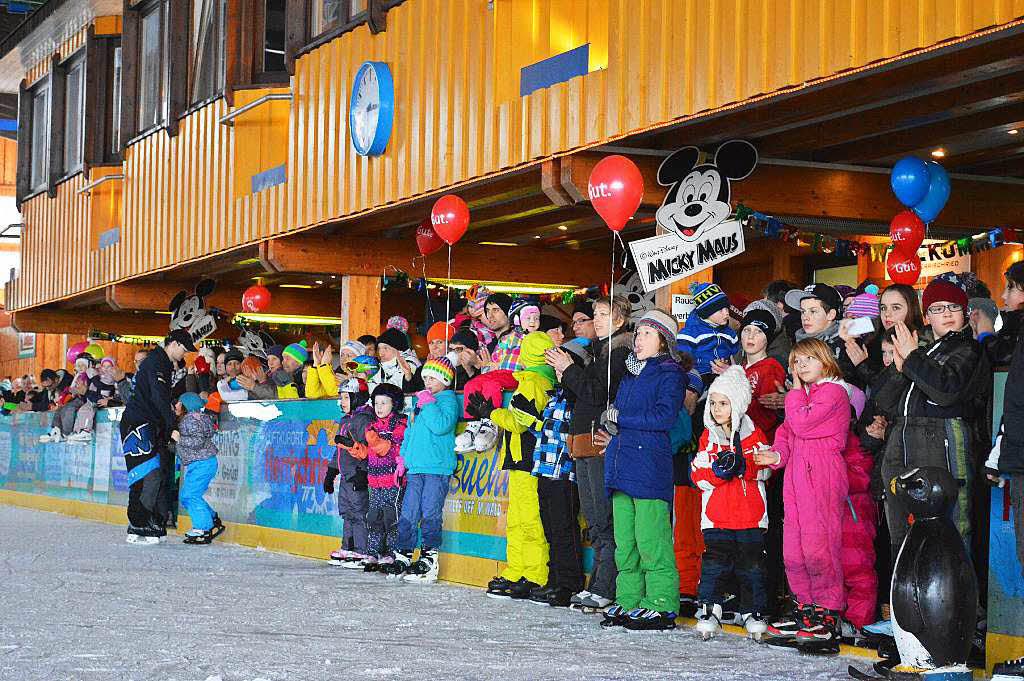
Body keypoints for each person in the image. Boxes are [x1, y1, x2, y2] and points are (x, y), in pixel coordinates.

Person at [880, 277, 989, 559]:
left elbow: (946, 390)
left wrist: (912, 358)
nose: (947, 314)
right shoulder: (924, 348)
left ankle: (953, 601)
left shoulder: (969, 348)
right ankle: (906, 600)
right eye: (938, 309)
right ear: (927, 316)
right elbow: (883, 401)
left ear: (965, 313)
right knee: (903, 533)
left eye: (953, 307)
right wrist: (901, 365)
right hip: (902, 441)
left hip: (943, 441)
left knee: (949, 530)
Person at [755, 338, 851, 646]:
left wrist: (793, 392)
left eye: (809, 359)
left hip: (821, 471)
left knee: (818, 544)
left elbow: (802, 423)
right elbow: (786, 433)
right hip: (797, 473)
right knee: (793, 548)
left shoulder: (834, 391)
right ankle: (804, 606)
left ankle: (827, 611)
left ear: (825, 361)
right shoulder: (803, 396)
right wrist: (776, 456)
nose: (802, 366)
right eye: (797, 361)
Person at [597, 310, 686, 631]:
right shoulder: (631, 373)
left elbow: (664, 418)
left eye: (647, 333)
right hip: (622, 464)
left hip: (649, 466)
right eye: (638, 334)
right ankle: (629, 597)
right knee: (626, 541)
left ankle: (661, 602)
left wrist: (622, 418)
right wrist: (612, 423)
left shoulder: (670, 373)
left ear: (663, 340)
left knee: (652, 540)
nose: (639, 339)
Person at [545, 295, 633, 613]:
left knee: (602, 517)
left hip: (599, 441)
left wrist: (569, 370)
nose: (596, 319)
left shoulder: (619, 351)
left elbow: (597, 393)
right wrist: (565, 374)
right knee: (593, 519)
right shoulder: (599, 352)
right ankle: (598, 582)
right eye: (594, 314)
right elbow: (584, 393)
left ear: (620, 319)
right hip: (583, 440)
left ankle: (605, 585)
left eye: (604, 314)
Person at [691, 365, 772, 639]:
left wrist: (744, 467)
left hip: (750, 515)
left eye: (723, 403)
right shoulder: (708, 438)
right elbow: (697, 475)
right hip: (717, 517)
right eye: (713, 403)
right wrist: (717, 473)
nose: (716, 408)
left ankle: (752, 610)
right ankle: (709, 607)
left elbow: (767, 469)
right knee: (714, 564)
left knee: (752, 566)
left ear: (736, 404)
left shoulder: (754, 435)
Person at [483, 332, 557, 599]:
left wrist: (490, 413)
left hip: (529, 458)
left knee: (528, 520)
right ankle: (517, 569)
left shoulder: (533, 382)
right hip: (521, 457)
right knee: (518, 519)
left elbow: (519, 422)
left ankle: (534, 574)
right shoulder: (536, 380)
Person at [526, 338, 591, 607]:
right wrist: (531, 420)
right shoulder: (557, 395)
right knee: (550, 528)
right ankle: (554, 579)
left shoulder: (577, 397)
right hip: (545, 468)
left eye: (562, 364)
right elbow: (548, 432)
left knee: (564, 528)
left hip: (565, 471)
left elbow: (571, 430)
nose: (557, 370)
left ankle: (568, 582)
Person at [120, 329, 196, 544]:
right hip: (139, 424)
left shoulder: (160, 362)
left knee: (156, 473)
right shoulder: (157, 363)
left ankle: (148, 522)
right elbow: (158, 396)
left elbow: (160, 398)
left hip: (147, 423)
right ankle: (139, 522)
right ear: (172, 344)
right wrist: (172, 425)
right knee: (146, 475)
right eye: (183, 349)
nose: (184, 354)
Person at [388, 356, 459, 582]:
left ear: (445, 380)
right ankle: (404, 553)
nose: (427, 382)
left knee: (430, 512)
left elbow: (441, 426)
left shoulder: (447, 401)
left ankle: (429, 556)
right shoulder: (421, 402)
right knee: (408, 512)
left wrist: (428, 403)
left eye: (433, 378)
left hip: (437, 468)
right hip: (416, 467)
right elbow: (410, 433)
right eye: (425, 377)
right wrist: (403, 460)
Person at [839, 385, 878, 632]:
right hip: (832, 521)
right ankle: (837, 621)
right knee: (834, 576)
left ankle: (859, 623)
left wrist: (831, 471)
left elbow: (859, 479)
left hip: (855, 520)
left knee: (859, 574)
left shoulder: (858, 446)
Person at [326, 378, 374, 567]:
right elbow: (339, 449)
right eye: (341, 398)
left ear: (357, 398)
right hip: (346, 475)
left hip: (357, 475)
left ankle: (361, 550)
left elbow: (368, 449)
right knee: (347, 512)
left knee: (359, 512)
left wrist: (363, 472)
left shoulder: (363, 420)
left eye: (346, 397)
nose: (342, 402)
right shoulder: (346, 420)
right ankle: (347, 547)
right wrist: (331, 472)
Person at [361, 382, 407, 571]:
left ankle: (392, 553)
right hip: (375, 480)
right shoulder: (372, 426)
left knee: (391, 517)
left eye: (384, 403)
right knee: (374, 517)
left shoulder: (400, 423)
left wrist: (379, 443)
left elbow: (395, 447)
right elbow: (369, 451)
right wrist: (356, 449)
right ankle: (374, 552)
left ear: (394, 404)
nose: (379, 408)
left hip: (392, 481)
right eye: (376, 403)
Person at [171, 392, 225, 544]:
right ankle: (212, 518)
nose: (176, 406)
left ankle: (202, 527)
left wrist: (179, 438)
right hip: (202, 463)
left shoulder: (190, 420)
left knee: (190, 496)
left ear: (186, 406)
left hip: (201, 463)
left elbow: (197, 441)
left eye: (179, 403)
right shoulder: (198, 418)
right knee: (190, 495)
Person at [677, 282, 740, 390]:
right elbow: (682, 363)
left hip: (724, 380)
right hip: (698, 379)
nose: (726, 314)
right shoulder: (689, 335)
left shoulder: (730, 334)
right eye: (720, 310)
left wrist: (731, 367)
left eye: (726, 308)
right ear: (706, 312)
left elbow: (737, 358)